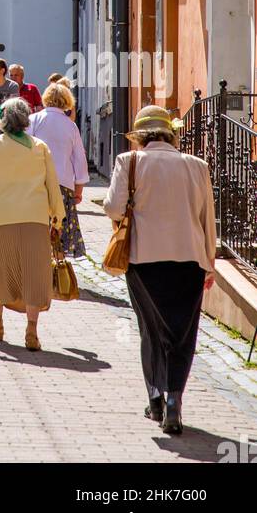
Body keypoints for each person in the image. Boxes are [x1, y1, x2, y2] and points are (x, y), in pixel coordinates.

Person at [103, 105, 216, 436]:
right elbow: (207, 219)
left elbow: (112, 207)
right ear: (170, 133)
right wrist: (208, 263)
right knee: (182, 335)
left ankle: (154, 397)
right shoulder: (197, 166)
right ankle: (174, 402)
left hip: (144, 260)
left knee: (150, 330)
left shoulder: (130, 162)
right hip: (189, 261)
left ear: (140, 137)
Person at [0, 96, 64, 351]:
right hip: (34, 219)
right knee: (34, 275)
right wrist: (57, 218)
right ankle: (31, 332)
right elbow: (53, 186)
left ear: (2, 119)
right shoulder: (40, 147)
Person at [28, 78, 89, 257]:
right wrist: (78, 190)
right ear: (67, 101)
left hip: (37, 184)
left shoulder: (33, 120)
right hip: (63, 185)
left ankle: (38, 267)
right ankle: (58, 270)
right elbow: (79, 159)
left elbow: (26, 150)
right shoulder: (71, 126)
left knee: (37, 230)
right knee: (59, 233)